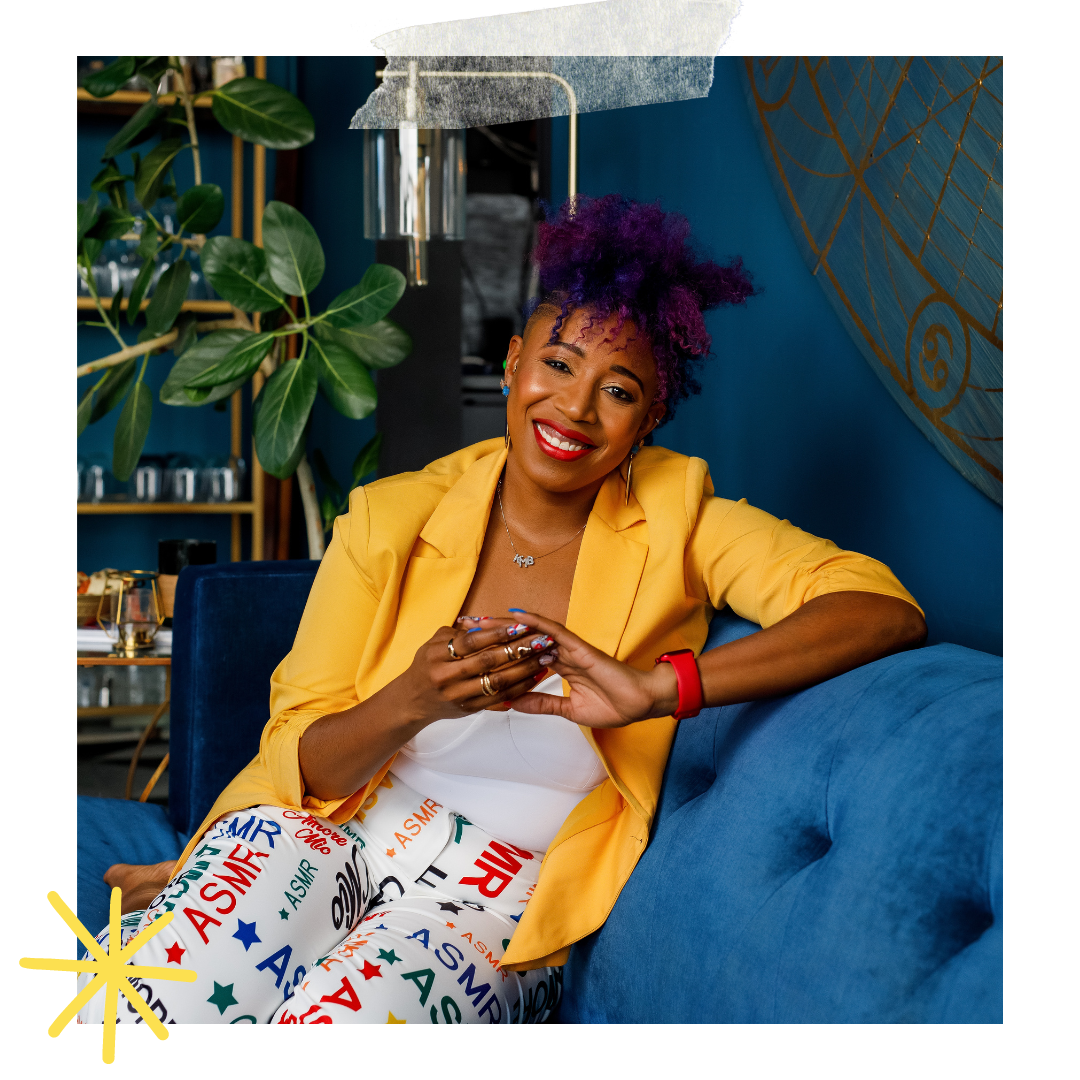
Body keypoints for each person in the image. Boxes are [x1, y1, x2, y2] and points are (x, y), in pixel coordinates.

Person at [102, 194, 925, 1026]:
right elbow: (299, 755)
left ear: (649, 420)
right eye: (558, 364)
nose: (575, 408)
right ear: (512, 362)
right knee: (147, 1006)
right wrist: (411, 702)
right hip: (334, 831)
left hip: (490, 907)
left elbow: (878, 607)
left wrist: (660, 688)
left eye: (619, 390)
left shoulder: (680, 519)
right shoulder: (393, 518)